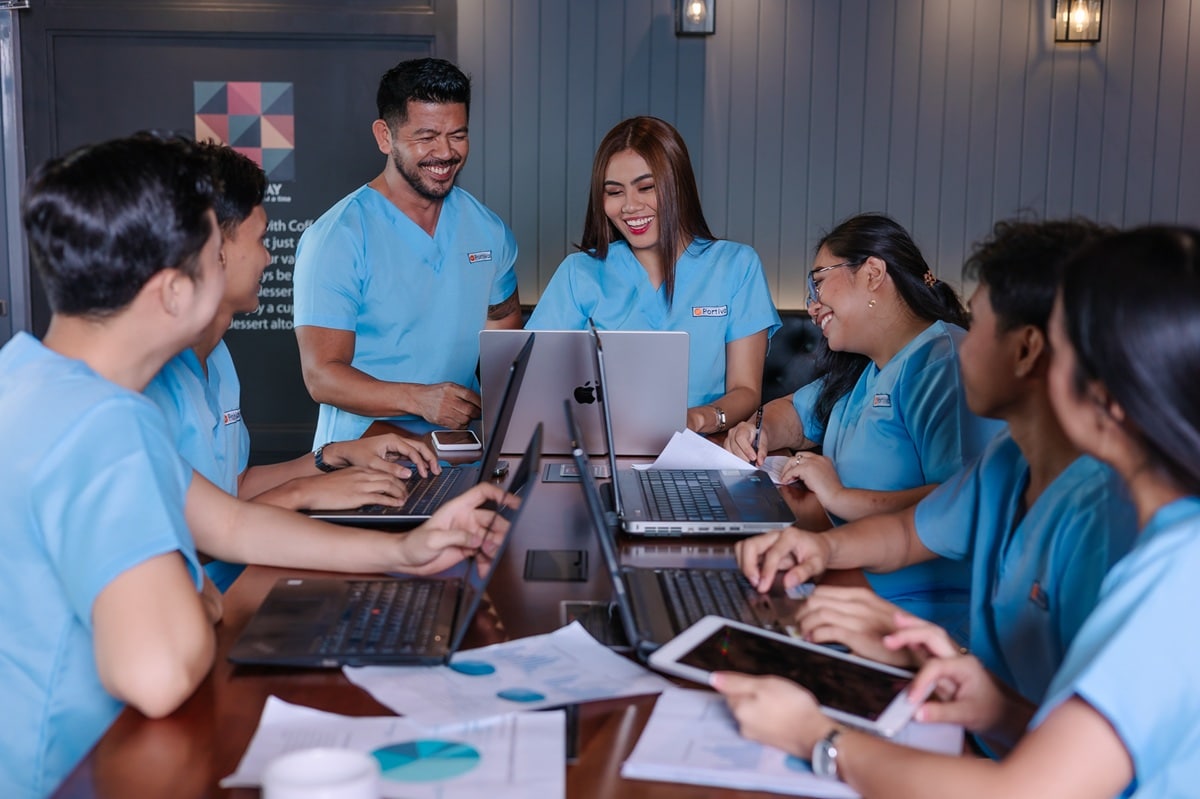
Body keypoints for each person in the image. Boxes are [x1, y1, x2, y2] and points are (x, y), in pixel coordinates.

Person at [0, 133, 514, 799]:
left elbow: (230, 524)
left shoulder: (32, 378)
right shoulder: (105, 423)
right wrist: (199, 594)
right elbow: (156, 673)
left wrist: (406, 552)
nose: (232, 261)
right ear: (173, 291)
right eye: (213, 251)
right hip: (85, 771)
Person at [715, 225, 1200, 797]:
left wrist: (817, 739)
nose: (960, 344)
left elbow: (1026, 792)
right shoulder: (1039, 474)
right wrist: (992, 705)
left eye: (1064, 342)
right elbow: (1071, 747)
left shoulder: (1175, 571)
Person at [736, 219, 1137, 713]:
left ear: (1027, 349)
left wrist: (826, 740)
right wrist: (821, 549)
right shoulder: (1007, 462)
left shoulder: (1105, 517)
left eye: (978, 324)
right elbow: (910, 532)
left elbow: (1062, 739)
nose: (960, 338)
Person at [145, 143, 440, 591]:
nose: (268, 258)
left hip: (244, 573)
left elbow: (233, 487)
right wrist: (301, 493)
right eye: (259, 240)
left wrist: (330, 457)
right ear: (213, 249)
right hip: (200, 597)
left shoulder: (217, 357)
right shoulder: (148, 382)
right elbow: (173, 545)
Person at [725, 213, 1004, 633]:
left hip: (917, 611)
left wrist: (841, 498)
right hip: (847, 576)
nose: (811, 304)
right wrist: (758, 430)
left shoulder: (941, 361)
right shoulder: (864, 367)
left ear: (873, 273)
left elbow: (957, 501)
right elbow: (795, 413)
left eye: (819, 282)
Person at [293, 57, 522, 446]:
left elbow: (504, 334)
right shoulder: (337, 238)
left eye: (457, 135)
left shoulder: (489, 230)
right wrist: (420, 400)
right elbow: (322, 376)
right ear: (385, 136)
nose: (445, 152)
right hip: (363, 457)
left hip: (460, 450)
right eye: (426, 136)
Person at [527, 116, 780, 434]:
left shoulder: (737, 266)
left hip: (703, 448)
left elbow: (746, 390)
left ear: (679, 185)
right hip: (603, 448)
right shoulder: (578, 273)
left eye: (646, 188)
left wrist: (697, 419)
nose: (630, 206)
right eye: (614, 192)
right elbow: (531, 379)